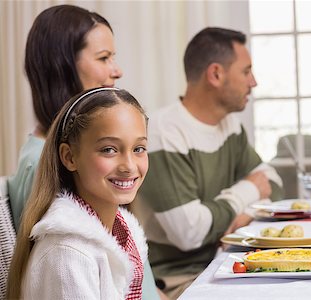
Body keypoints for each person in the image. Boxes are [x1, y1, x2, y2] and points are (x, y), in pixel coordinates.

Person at [6, 5, 164, 299]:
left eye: (139, 148)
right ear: (61, 66)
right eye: (104, 58)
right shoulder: (65, 246)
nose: (117, 70)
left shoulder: (116, 218)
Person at [131, 27, 283, 299]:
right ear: (215, 74)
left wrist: (247, 215)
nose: (254, 82)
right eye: (246, 71)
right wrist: (247, 191)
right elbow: (190, 233)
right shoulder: (163, 134)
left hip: (227, 262)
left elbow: (273, 183)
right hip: (180, 280)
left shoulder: (230, 126)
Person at [7, 88, 150, 298]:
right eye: (109, 149)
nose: (129, 166)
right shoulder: (68, 253)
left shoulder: (124, 231)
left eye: (138, 149)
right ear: (69, 157)